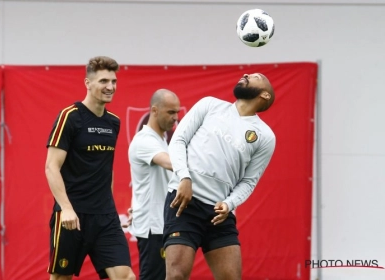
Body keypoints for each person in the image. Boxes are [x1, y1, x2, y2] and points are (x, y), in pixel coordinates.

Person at [163, 73, 276, 280]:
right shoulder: (210, 105)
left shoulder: (265, 136)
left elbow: (249, 181)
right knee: (176, 275)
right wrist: (184, 178)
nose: (246, 75)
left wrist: (230, 204)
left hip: (219, 214)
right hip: (184, 204)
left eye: (256, 76)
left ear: (265, 95)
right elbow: (178, 140)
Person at [45, 56, 136, 280]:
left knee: (126, 277)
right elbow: (51, 167)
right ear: (88, 83)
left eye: (113, 81)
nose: (110, 87)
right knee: (60, 278)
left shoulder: (113, 122)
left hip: (105, 217)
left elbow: (107, 169)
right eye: (104, 81)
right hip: (72, 216)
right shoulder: (69, 117)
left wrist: (109, 205)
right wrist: (65, 208)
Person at [124, 89, 180, 280]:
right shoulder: (145, 141)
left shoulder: (161, 139)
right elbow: (171, 163)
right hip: (153, 227)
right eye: (171, 112)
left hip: (162, 225)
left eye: (177, 112)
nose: (176, 118)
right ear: (154, 111)